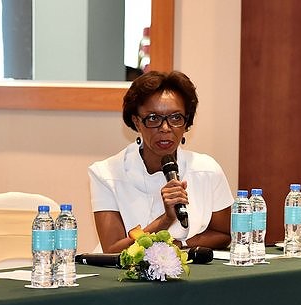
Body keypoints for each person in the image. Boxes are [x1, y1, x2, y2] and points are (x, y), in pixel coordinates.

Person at [88, 70, 233, 253]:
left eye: (175, 117)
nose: (165, 128)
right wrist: (165, 220)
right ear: (137, 122)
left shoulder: (207, 170)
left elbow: (223, 234)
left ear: (186, 122)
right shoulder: (105, 174)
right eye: (153, 118)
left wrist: (181, 244)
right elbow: (112, 250)